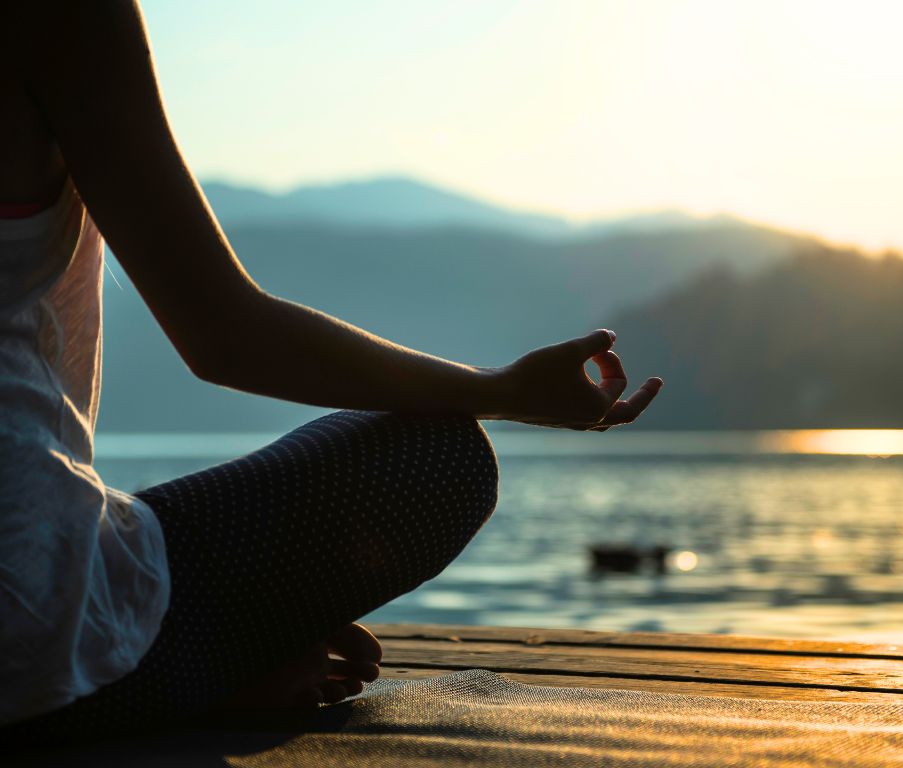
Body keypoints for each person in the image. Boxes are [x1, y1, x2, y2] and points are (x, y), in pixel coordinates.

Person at [0, 0, 663, 743]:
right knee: (440, 457)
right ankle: (202, 666)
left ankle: (213, 648)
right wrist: (504, 391)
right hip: (27, 625)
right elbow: (226, 335)